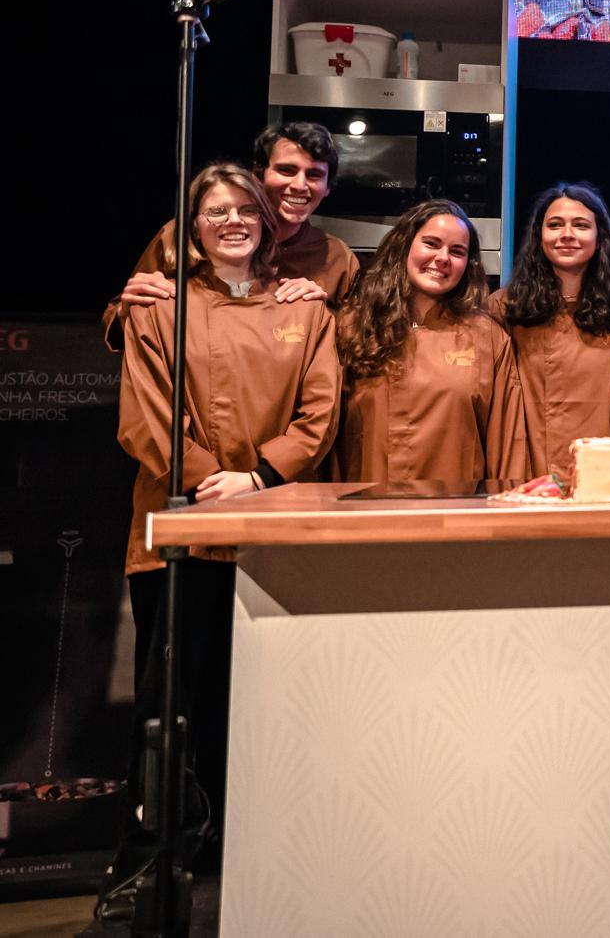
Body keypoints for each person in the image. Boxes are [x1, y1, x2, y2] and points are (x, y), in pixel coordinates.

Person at [112, 162, 340, 890]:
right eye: (216, 211)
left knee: (260, 709)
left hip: (274, 533)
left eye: (245, 209)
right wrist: (210, 480)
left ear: (266, 222)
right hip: (181, 533)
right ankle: (151, 867)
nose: (234, 221)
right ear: (193, 227)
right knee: (169, 709)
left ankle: (247, 868)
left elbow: (320, 414)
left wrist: (258, 478)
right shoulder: (158, 306)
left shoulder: (308, 310)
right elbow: (146, 420)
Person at [102, 121, 360, 349]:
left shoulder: (337, 258)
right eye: (286, 171)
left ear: (328, 187)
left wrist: (319, 314)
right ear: (258, 175)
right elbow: (117, 324)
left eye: (314, 175)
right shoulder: (185, 236)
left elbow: (361, 346)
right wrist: (129, 308)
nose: (300, 185)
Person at [333, 198, 531, 484]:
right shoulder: (352, 326)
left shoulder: (487, 338)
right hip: (366, 515)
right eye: (431, 243)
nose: (442, 258)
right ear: (405, 246)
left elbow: (508, 445)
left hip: (455, 517)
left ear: (468, 264)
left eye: (457, 251)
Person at [492, 182, 610, 483]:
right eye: (555, 225)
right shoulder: (504, 307)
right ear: (539, 236)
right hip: (527, 474)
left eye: (581, 225)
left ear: (599, 237)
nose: (567, 235)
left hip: (604, 474)